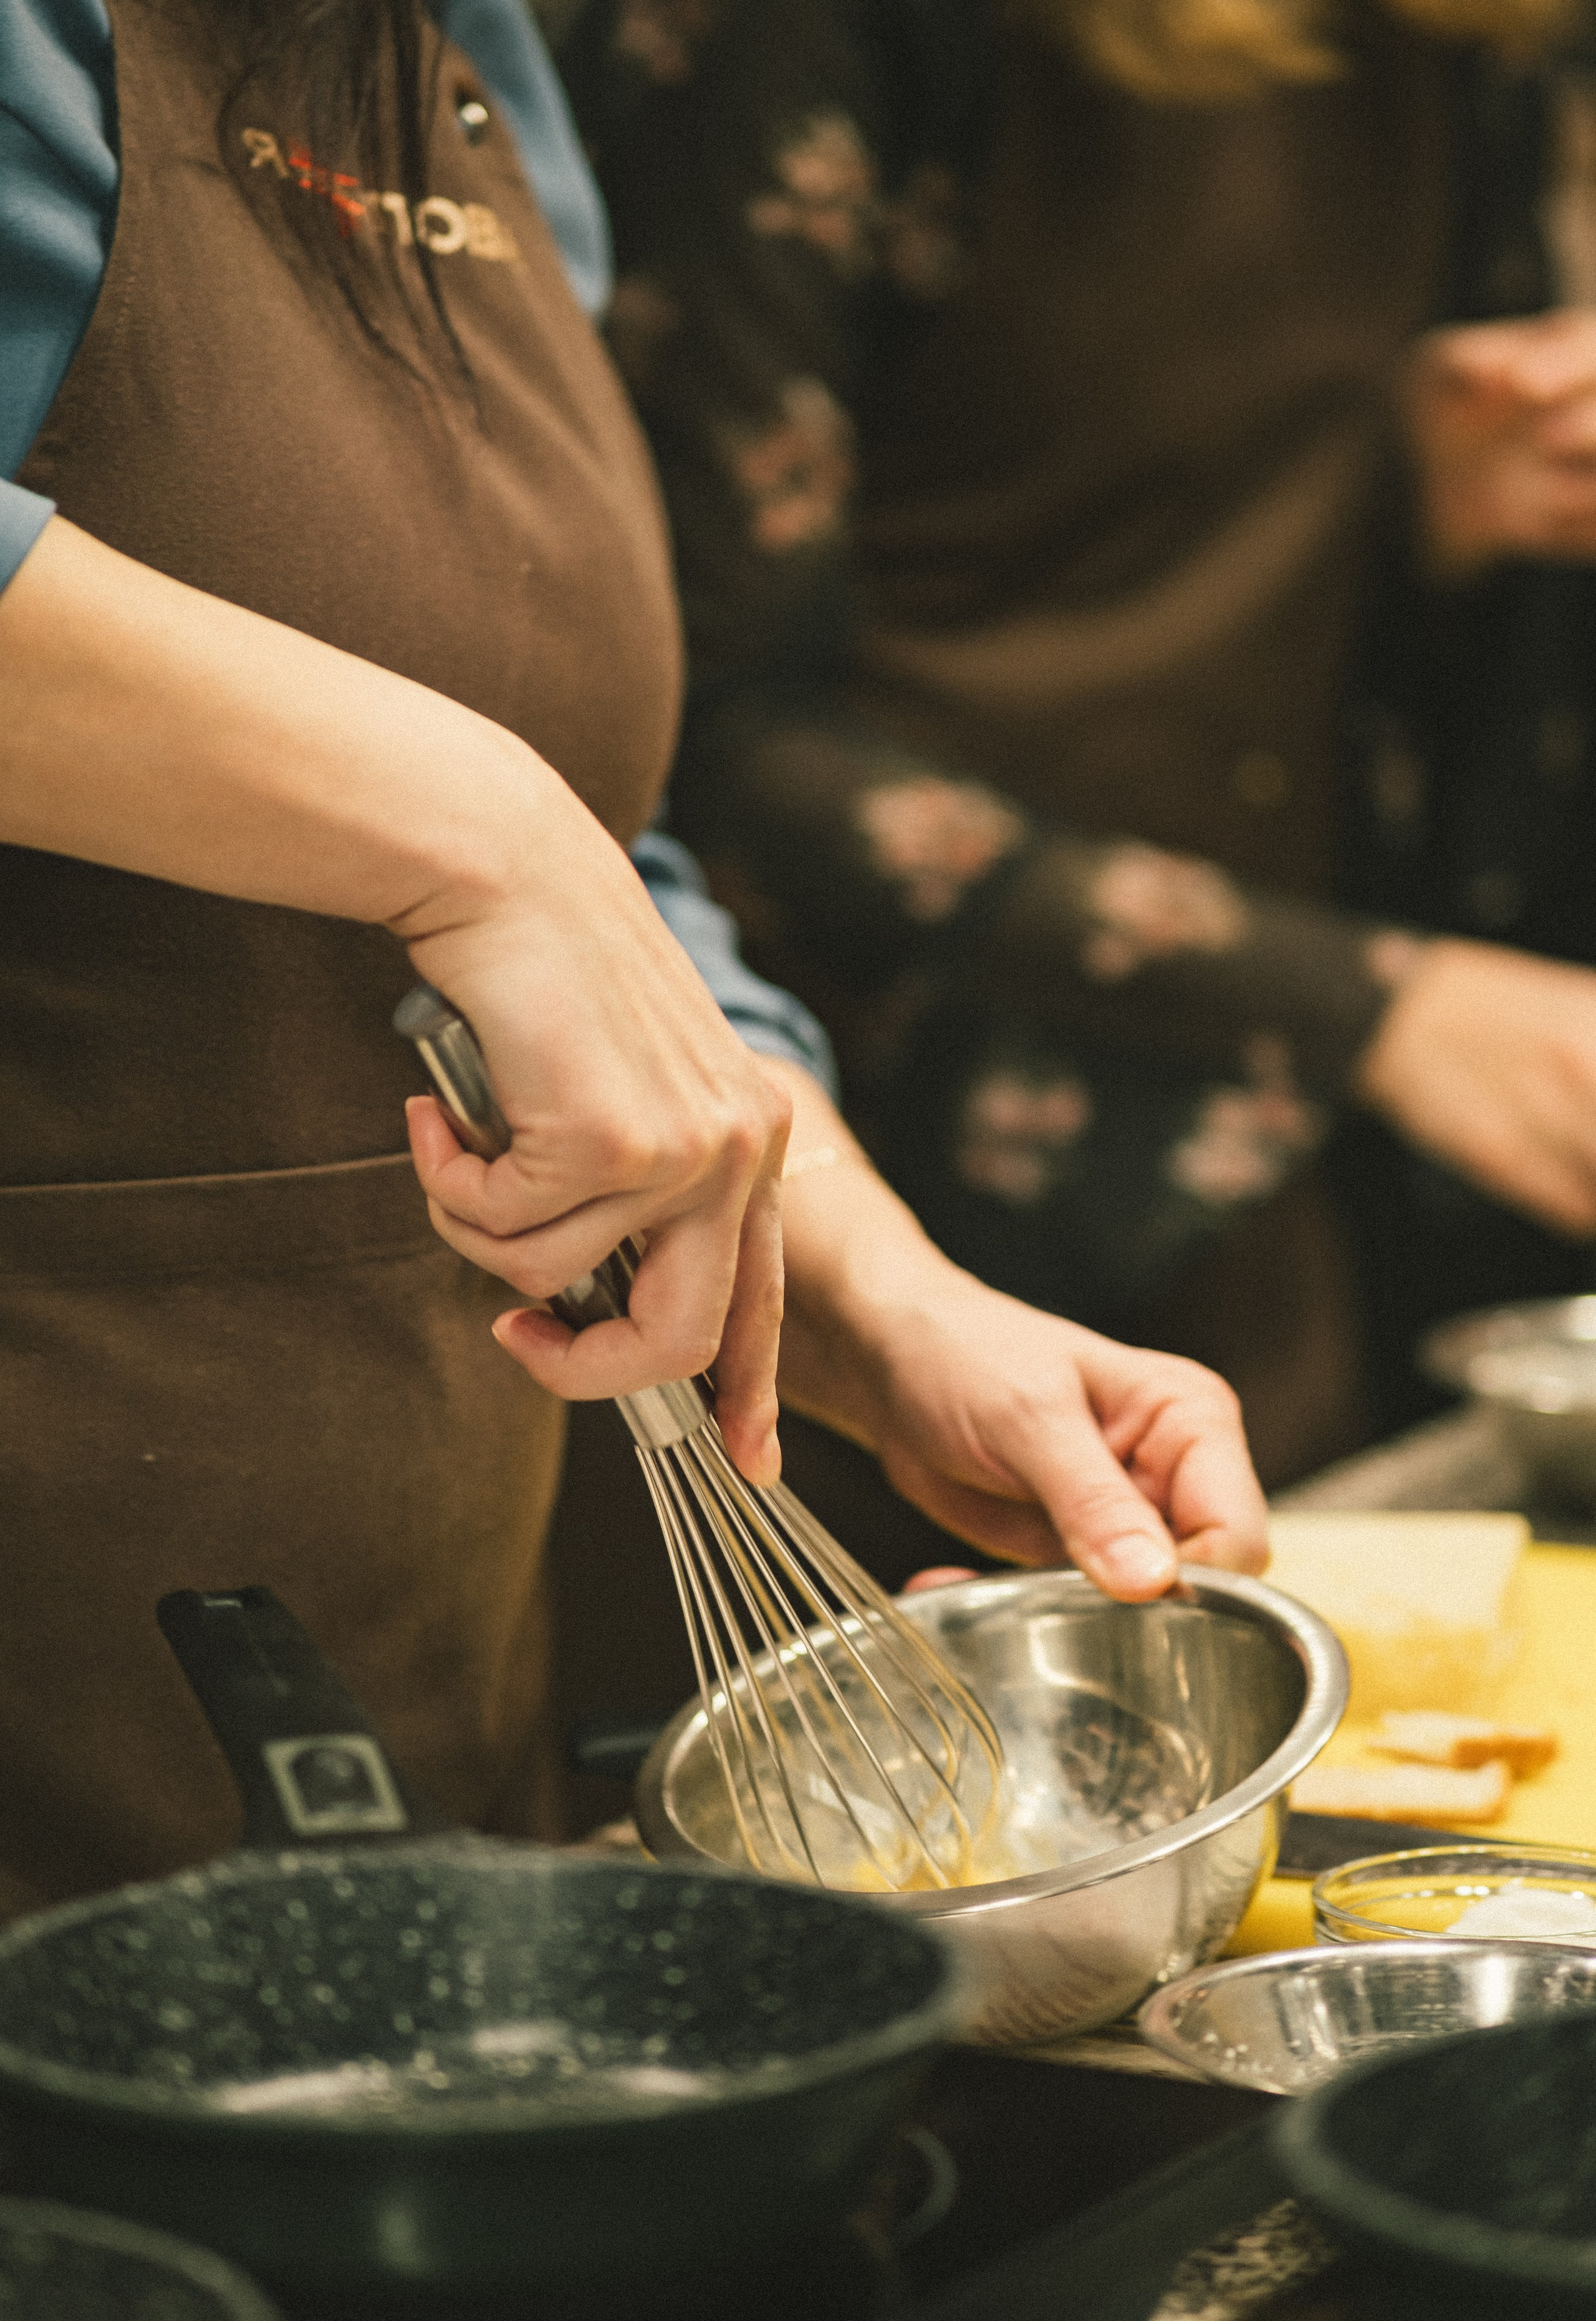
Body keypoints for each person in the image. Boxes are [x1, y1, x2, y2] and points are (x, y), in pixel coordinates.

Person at [0, 0, 1266, 1917]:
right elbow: (507, 839)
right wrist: (475, 832)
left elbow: (602, 854)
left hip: (393, 1669)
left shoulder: (473, 59)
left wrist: (868, 1284)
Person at [559, 0, 1596, 1487]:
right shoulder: (806, 37)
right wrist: (1372, 1006)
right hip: (856, 1170)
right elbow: (699, 734)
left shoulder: (1449, 49)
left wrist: (1408, 503)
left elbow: (1214, 585)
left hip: (1264, 1172)